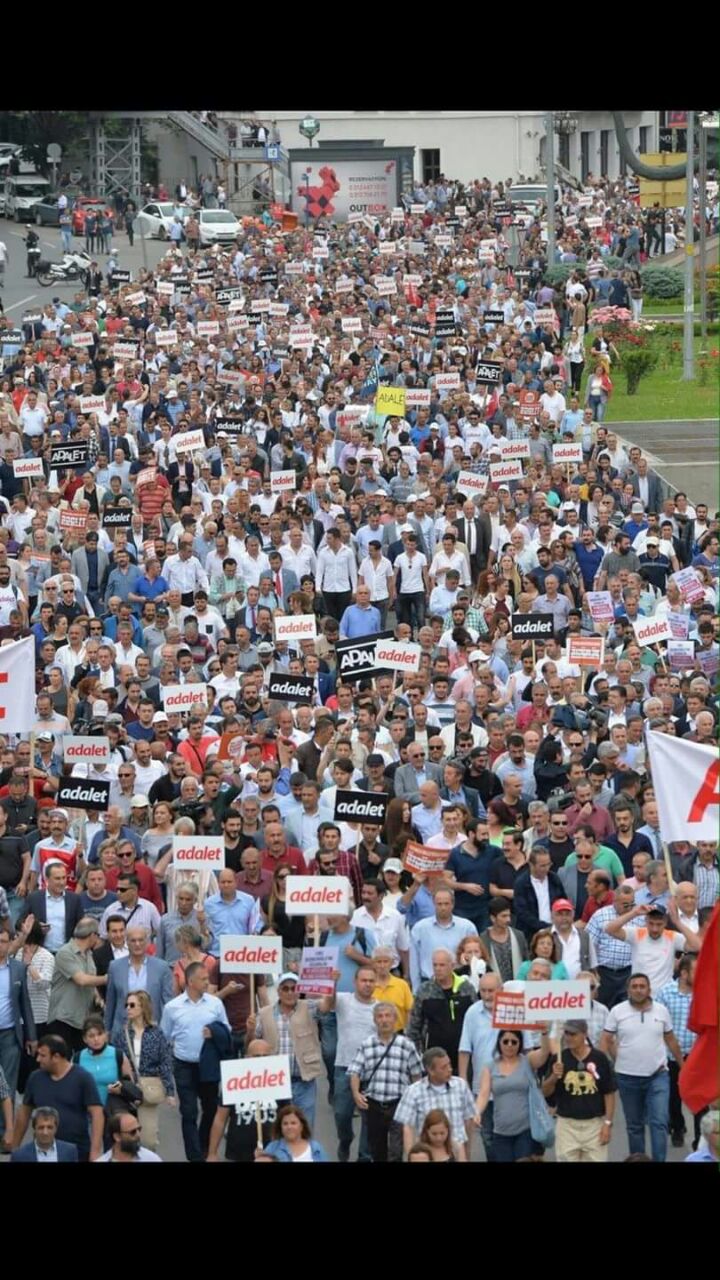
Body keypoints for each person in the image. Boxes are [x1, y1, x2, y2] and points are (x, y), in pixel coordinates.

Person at [600, 972, 685, 1163]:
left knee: (659, 1123)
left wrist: (683, 1065)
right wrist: (600, 1066)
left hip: (658, 1075)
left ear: (649, 989)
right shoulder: (617, 1011)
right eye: (634, 986)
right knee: (634, 1125)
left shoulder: (661, 1011)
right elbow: (606, 1039)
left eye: (642, 986)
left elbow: (670, 1039)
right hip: (627, 1077)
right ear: (628, 989)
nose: (638, 990)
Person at [160, 960, 231, 1162]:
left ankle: (204, 1146)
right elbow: (164, 1036)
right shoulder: (172, 1007)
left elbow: (227, 1029)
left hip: (208, 1065)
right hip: (183, 1064)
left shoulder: (215, 1003)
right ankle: (194, 1157)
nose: (208, 982)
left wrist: (215, 1032)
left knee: (210, 1109)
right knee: (189, 1112)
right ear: (190, 982)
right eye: (203, 979)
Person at [348, 1002, 423, 1163]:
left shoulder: (406, 1045)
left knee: (396, 1150)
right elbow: (355, 1071)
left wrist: (417, 1100)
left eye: (388, 1016)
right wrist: (355, 1094)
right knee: (377, 1150)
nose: (384, 1020)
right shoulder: (367, 1044)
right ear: (374, 1020)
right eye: (380, 1016)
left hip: (399, 1104)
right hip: (374, 1104)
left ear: (395, 1019)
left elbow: (417, 1074)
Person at [246, 971, 322, 1129]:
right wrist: (250, 1031)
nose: (290, 992)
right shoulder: (264, 1013)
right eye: (285, 988)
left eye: (293, 988)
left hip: (304, 1082)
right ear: (278, 991)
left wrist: (332, 984)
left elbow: (328, 1005)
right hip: (275, 1083)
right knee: (277, 1129)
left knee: (304, 1128)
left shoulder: (309, 1007)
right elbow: (251, 1046)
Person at [11, 1033, 104, 1162]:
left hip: (77, 1152)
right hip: (42, 1151)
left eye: (43, 1055)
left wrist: (95, 1151)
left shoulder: (83, 1078)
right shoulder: (35, 1078)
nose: (38, 1059)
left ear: (56, 1057)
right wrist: (15, 1148)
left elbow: (97, 1114)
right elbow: (24, 1113)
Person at [320, 965, 377, 1162]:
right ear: (355, 982)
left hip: (371, 1071)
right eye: (364, 980)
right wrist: (333, 983)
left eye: (371, 981)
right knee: (341, 1114)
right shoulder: (344, 999)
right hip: (344, 1066)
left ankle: (364, 1156)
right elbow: (326, 1006)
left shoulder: (380, 1008)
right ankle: (345, 1141)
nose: (368, 984)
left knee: (370, 1118)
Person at [541, 1020, 617, 1162]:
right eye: (567, 1033)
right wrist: (553, 1077)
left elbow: (609, 1093)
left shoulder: (599, 1058)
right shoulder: (559, 1058)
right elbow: (545, 1092)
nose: (569, 1037)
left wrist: (607, 1124)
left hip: (594, 1124)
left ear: (584, 1034)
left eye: (573, 1034)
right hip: (567, 1125)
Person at [473, 1025, 551, 1163]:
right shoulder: (489, 1067)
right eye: (505, 1041)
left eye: (514, 1042)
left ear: (520, 1043)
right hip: (501, 1131)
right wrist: (477, 1112)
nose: (509, 1045)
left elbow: (544, 1053)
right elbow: (484, 1094)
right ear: (499, 1043)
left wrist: (544, 1033)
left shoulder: (528, 1060)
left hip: (525, 1129)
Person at [113, 987, 175, 1152]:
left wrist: (170, 1092)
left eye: (132, 1005)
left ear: (143, 1007)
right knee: (125, 1139)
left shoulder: (156, 1033)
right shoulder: (121, 1034)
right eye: (126, 1005)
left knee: (148, 1140)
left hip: (148, 1089)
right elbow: (115, 1061)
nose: (128, 1009)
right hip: (127, 1089)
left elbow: (165, 1062)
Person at [394, 1046, 475, 1161]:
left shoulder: (461, 1086)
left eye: (449, 1065)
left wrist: (467, 1153)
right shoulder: (413, 1091)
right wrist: (411, 1156)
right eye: (444, 1067)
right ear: (430, 1070)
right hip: (428, 1155)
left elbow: (469, 1121)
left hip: (456, 1153)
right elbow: (408, 1127)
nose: (450, 1069)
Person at [406, 947, 476, 1071]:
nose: (438, 969)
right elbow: (414, 1026)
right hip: (433, 1059)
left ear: (452, 965)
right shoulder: (424, 990)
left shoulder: (466, 989)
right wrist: (419, 1053)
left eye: (442, 965)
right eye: (435, 965)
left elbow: (475, 1023)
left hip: (463, 1057)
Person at [46, 917, 106, 1055]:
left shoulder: (89, 954)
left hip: (82, 1020)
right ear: (92, 935)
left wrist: (98, 998)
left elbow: (90, 981)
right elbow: (81, 980)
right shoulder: (65, 953)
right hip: (63, 1019)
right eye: (97, 935)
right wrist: (107, 978)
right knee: (62, 1061)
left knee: (82, 1060)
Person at [0, 923, 36, 1146]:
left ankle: (6, 1133)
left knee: (9, 1085)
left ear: (10, 943)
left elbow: (25, 1005)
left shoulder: (17, 969)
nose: (0, 946)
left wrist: (31, 1036)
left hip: (10, 1034)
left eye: (4, 941)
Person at [104, 925, 174, 1039]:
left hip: (151, 1030)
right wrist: (107, 1030)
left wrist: (166, 1032)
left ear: (147, 941)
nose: (137, 944)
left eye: (141, 940)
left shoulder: (162, 967)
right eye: (133, 940)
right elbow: (111, 1002)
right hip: (122, 1031)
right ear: (127, 942)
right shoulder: (115, 967)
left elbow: (167, 1002)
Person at [409, 887, 479, 991]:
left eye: (446, 904)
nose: (443, 908)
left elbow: (476, 958)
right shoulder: (420, 928)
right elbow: (414, 962)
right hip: (429, 983)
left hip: (459, 983)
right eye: (439, 904)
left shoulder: (467, 927)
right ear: (433, 903)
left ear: (453, 904)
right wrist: (416, 989)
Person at [9, 1104, 79, 1163]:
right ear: (34, 1129)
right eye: (41, 1127)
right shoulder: (19, 1155)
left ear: (56, 1128)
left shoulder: (70, 1151)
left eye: (50, 1127)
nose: (45, 1132)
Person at [263, 1103, 329, 1163]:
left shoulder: (316, 1148)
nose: (289, 1127)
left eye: (293, 1123)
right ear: (281, 1127)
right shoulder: (272, 1148)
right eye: (285, 1124)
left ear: (301, 1126)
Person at [94, 1109, 163, 1162]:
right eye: (132, 1132)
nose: (138, 1134)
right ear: (117, 1137)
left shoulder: (151, 1159)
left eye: (139, 1129)